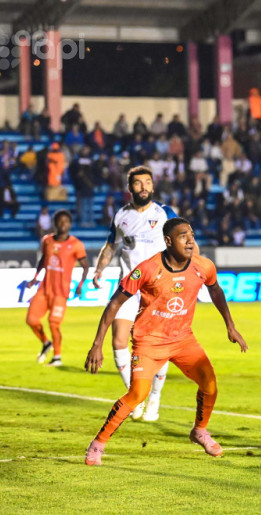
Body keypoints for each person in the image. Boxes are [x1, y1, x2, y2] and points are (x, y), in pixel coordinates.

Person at [84, 217, 247, 465]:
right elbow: (115, 302)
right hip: (148, 341)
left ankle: (200, 431)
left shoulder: (203, 266)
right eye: (183, 235)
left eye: (191, 234)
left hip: (183, 340)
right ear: (168, 241)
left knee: (210, 384)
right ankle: (98, 443)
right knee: (138, 393)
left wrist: (230, 326)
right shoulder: (148, 269)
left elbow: (215, 290)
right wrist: (97, 344)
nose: (190, 239)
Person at [92, 166, 178, 422]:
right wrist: (99, 270)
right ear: (130, 188)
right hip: (129, 287)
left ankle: (154, 399)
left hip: (159, 289)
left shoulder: (165, 213)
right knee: (119, 340)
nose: (144, 187)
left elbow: (186, 240)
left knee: (158, 348)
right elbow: (110, 246)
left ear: (153, 185)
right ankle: (136, 395)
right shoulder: (121, 216)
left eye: (147, 182)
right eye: (138, 183)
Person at [25, 210, 89, 367]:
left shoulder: (76, 244)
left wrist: (80, 285)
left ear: (70, 224)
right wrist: (35, 277)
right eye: (60, 221)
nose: (63, 224)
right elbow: (43, 259)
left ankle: (57, 357)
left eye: (66, 221)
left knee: (54, 323)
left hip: (61, 292)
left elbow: (85, 266)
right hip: (44, 289)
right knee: (31, 319)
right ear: (55, 223)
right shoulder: (47, 241)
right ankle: (46, 342)